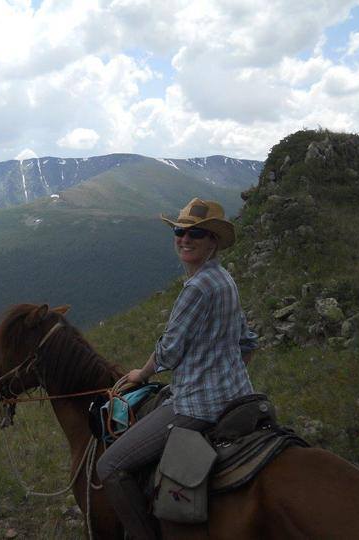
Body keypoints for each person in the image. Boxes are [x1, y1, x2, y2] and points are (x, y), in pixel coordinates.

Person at [96, 197, 258, 540]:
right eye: (180, 231)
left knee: (110, 465)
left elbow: (169, 352)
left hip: (198, 406)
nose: (184, 239)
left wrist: (141, 374)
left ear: (212, 241)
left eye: (195, 233)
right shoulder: (224, 279)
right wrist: (225, 374)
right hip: (239, 396)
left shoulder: (197, 287)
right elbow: (248, 342)